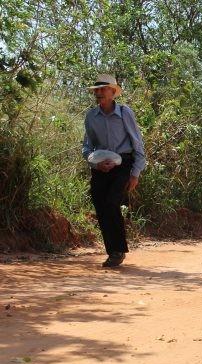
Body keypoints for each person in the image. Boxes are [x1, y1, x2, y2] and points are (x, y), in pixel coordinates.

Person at [82, 74, 146, 267]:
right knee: (100, 206)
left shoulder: (125, 112)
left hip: (122, 164)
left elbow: (137, 143)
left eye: (103, 89)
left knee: (112, 203)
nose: (99, 93)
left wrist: (135, 172)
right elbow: (87, 147)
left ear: (113, 92)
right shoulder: (91, 116)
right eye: (97, 90)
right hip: (100, 166)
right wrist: (95, 164)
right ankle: (112, 252)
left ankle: (118, 251)